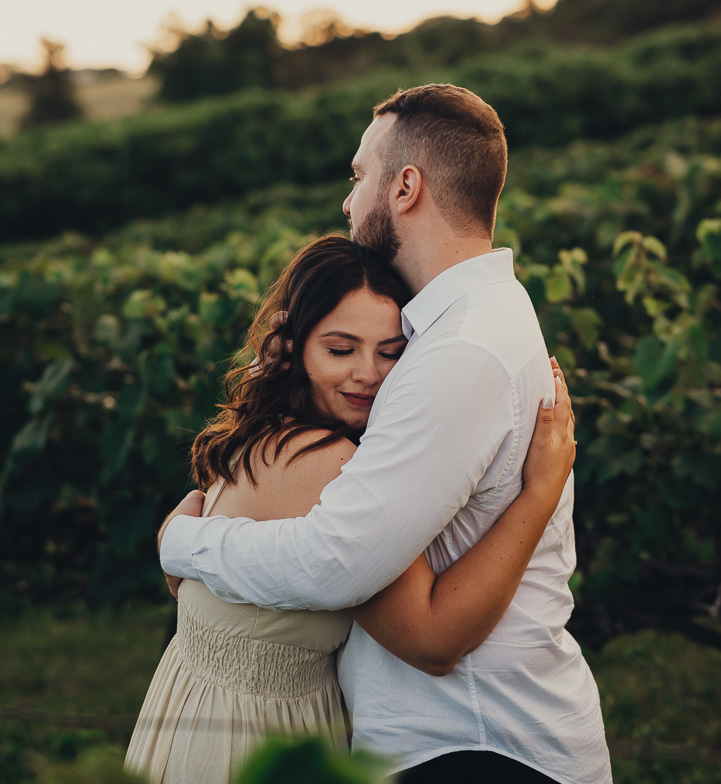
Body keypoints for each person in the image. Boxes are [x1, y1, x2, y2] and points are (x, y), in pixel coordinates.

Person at [160, 84, 612, 783]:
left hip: (475, 742)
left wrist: (184, 543)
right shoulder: (468, 321)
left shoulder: (458, 351)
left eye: (358, 175)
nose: (348, 202)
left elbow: (336, 564)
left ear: (405, 187)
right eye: (340, 348)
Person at [127, 234, 576, 783]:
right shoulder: (326, 461)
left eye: (391, 353)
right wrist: (540, 493)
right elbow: (434, 639)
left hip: (190, 710)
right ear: (294, 348)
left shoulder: (260, 432)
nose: (368, 373)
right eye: (340, 350)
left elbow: (191, 589)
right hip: (259, 739)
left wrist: (177, 543)